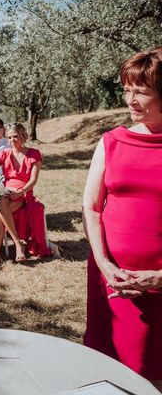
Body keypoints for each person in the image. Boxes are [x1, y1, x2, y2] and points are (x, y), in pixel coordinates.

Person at [82, 47, 162, 387]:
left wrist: (159, 277)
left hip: (158, 288)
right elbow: (91, 206)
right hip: (109, 279)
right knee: (104, 371)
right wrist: (104, 264)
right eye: (126, 89)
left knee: (149, 377)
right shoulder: (111, 141)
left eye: (140, 91)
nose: (130, 99)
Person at [0, 123, 47, 267]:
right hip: (6, 192)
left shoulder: (34, 154)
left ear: (23, 136)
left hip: (24, 193)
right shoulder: (4, 154)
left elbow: (33, 180)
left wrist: (21, 192)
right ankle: (16, 245)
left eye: (15, 136)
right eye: (9, 137)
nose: (12, 140)